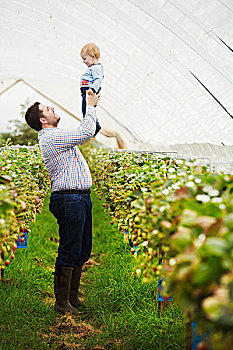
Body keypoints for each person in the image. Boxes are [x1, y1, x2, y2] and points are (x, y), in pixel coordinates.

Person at [25, 90, 100, 315]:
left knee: (82, 249)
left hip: (79, 197)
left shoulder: (58, 136)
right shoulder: (51, 137)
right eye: (49, 109)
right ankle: (61, 302)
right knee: (70, 249)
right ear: (43, 120)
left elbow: (91, 130)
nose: (53, 109)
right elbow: (86, 131)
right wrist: (91, 106)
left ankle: (73, 297)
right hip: (69, 199)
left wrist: (90, 107)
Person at [80, 42, 104, 137]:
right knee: (85, 110)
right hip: (86, 91)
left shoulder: (96, 68)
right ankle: (92, 125)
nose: (84, 61)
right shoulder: (93, 68)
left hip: (89, 91)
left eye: (85, 59)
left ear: (93, 57)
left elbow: (98, 80)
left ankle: (95, 125)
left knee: (86, 110)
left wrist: (92, 89)